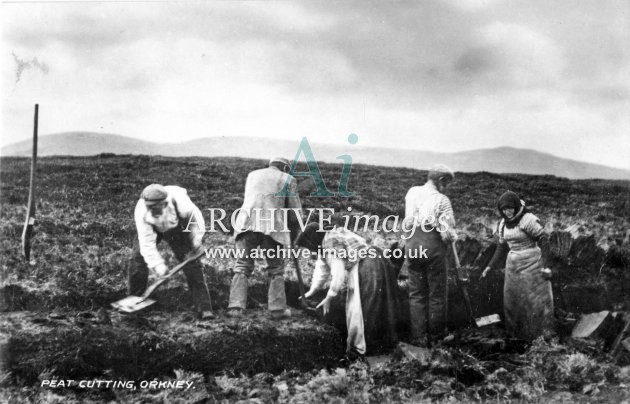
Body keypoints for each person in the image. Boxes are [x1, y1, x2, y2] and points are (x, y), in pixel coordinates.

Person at [296, 223, 400, 360]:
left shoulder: (330, 245)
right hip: (378, 258)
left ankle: (362, 351)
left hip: (368, 266)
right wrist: (311, 291)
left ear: (313, 241)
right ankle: (384, 344)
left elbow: (338, 275)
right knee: (382, 304)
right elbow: (322, 269)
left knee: (360, 309)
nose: (310, 251)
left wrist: (329, 298)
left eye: (309, 247)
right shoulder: (329, 237)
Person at [227, 157, 302, 319]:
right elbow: (295, 213)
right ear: (285, 168)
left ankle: (235, 307)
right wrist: (294, 234)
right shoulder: (289, 179)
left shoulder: (252, 175)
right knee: (276, 268)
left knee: (242, 264)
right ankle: (277, 309)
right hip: (272, 225)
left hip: (246, 222)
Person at [130, 184, 213, 320]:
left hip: (176, 229)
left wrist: (196, 241)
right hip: (153, 229)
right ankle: (134, 306)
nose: (153, 211)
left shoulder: (181, 202)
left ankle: (204, 308)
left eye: (156, 208)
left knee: (192, 263)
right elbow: (146, 243)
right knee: (137, 261)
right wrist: (159, 267)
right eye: (150, 208)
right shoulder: (141, 211)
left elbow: (195, 222)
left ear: (165, 203)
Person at [481, 191, 555, 340]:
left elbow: (544, 241)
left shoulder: (528, 220)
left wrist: (546, 265)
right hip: (513, 265)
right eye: (503, 209)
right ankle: (516, 334)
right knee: (513, 299)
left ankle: (539, 335)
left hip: (532, 263)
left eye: (510, 208)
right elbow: (501, 247)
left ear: (516, 205)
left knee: (534, 300)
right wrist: (489, 267)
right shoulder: (503, 224)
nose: (507, 212)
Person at [403, 164, 457, 347]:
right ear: (441, 180)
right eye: (447, 183)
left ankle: (418, 337)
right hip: (432, 247)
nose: (447, 187)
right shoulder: (442, 201)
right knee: (437, 294)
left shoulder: (412, 192)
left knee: (416, 293)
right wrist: (452, 234)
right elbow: (447, 233)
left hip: (411, 246)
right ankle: (437, 337)